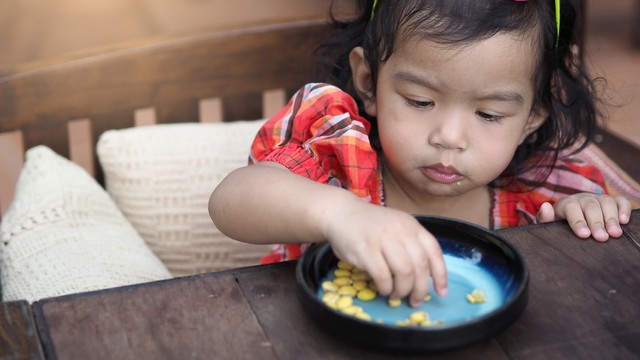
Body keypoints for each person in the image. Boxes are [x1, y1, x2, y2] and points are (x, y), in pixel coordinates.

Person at [209, 0, 631, 308]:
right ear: (369, 81)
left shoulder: (543, 195)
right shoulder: (338, 161)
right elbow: (231, 201)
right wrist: (340, 215)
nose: (449, 137)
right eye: (419, 101)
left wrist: (582, 219)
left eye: (489, 113)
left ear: (533, 116)